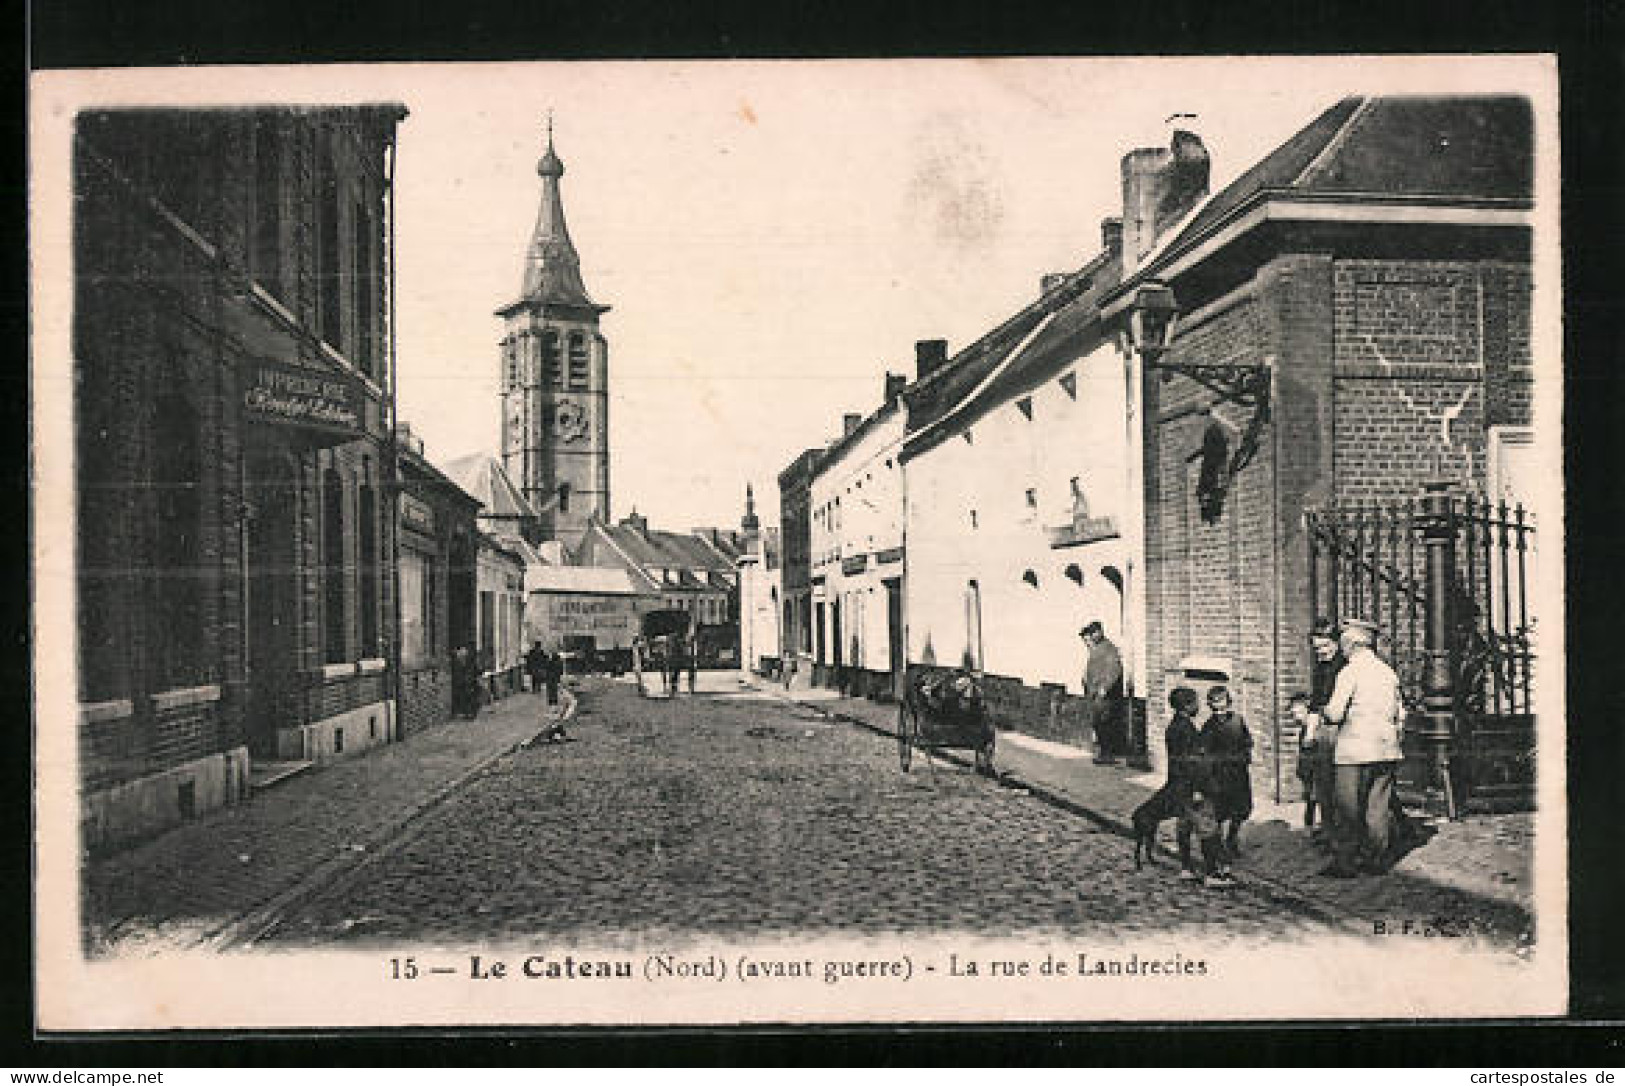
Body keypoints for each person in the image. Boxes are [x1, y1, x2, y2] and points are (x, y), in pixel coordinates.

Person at [1321, 618, 1405, 877]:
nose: (1342, 648)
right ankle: (1376, 859)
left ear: (1352, 644)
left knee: (1347, 807)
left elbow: (1335, 714)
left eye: (1344, 643)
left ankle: (1344, 863)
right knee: (1377, 806)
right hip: (1386, 749)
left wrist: (1322, 711)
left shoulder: (1349, 672)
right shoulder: (1388, 673)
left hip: (1354, 751)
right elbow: (1401, 713)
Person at [1130, 686, 1204, 869]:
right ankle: (1187, 866)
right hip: (1184, 782)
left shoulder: (1176, 725)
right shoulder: (1184, 728)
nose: (1198, 706)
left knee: (1186, 824)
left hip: (1176, 780)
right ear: (1186, 706)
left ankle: (1184, 864)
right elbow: (1189, 760)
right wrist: (1196, 786)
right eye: (1196, 702)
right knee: (1186, 825)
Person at [1201, 685, 1253, 859]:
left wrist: (1245, 755)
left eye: (1222, 700)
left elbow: (1247, 741)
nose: (1219, 705)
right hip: (1221, 775)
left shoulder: (1238, 720)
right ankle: (1220, 844)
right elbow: (1205, 751)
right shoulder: (1209, 726)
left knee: (1241, 809)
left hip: (1238, 773)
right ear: (1210, 704)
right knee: (1221, 810)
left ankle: (1232, 838)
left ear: (1228, 701)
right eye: (1214, 701)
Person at [1306, 618, 1344, 846]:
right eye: (1317, 648)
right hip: (1327, 728)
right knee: (1324, 785)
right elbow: (1316, 701)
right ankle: (1331, 831)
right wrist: (1310, 733)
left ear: (1337, 643)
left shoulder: (1346, 666)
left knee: (1343, 786)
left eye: (1325, 646)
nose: (1321, 652)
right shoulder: (1321, 668)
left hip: (1346, 729)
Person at [1080, 621, 1126, 764]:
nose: (1092, 636)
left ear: (1100, 632)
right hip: (1095, 694)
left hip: (1104, 696)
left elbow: (1114, 670)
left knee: (1104, 724)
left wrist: (1104, 688)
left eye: (1094, 633)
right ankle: (1103, 753)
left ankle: (1107, 754)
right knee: (1098, 723)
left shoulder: (1108, 649)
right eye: (1091, 633)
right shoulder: (1097, 648)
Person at [1288, 693, 1320, 827]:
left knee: (1315, 797)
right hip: (1308, 769)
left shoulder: (1314, 724)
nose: (1294, 713)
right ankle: (1310, 826)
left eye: (1298, 710)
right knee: (1310, 799)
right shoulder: (1305, 726)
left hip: (1316, 769)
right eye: (1293, 710)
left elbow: (1309, 744)